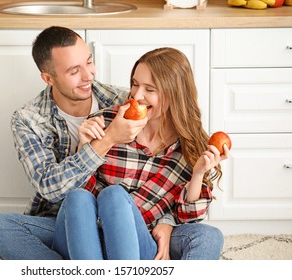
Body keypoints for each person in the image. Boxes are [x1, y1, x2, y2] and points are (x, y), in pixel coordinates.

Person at [0, 26, 146, 259]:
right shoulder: (28, 120)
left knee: (199, 235)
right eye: (74, 71)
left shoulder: (121, 100)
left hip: (120, 222)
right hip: (64, 224)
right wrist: (108, 139)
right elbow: (50, 188)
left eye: (89, 62)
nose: (89, 75)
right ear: (48, 78)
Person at [52, 47, 229, 260]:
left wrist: (198, 174)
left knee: (208, 236)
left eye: (150, 89)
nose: (137, 95)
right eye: (135, 84)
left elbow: (188, 216)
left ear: (174, 94)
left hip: (139, 239)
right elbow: (80, 199)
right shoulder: (107, 123)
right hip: (88, 234)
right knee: (4, 226)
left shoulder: (190, 147)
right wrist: (85, 149)